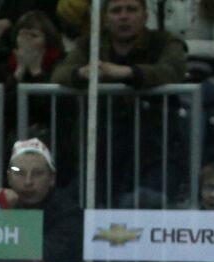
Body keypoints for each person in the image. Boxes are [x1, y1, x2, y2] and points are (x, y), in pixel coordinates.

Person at [52, 0, 189, 205]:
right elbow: (59, 74)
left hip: (156, 149)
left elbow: (172, 71)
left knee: (146, 205)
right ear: (105, 19)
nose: (124, 16)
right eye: (116, 11)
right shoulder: (89, 43)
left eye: (131, 9)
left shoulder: (165, 42)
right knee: (78, 204)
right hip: (101, 153)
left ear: (145, 16)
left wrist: (128, 73)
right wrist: (82, 72)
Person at [0, 138, 82, 262]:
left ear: (52, 178)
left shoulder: (68, 213)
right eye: (19, 172)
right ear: (9, 177)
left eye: (38, 173)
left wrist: (9, 216)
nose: (28, 182)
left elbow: (39, 257)